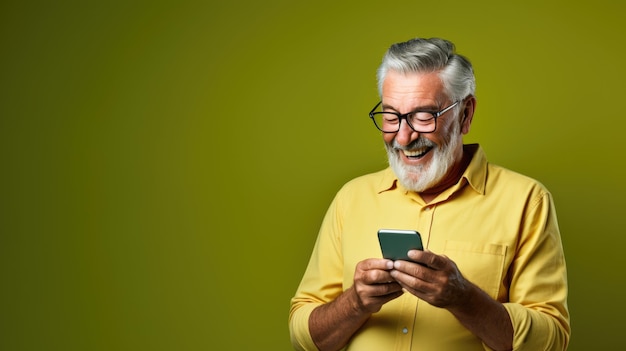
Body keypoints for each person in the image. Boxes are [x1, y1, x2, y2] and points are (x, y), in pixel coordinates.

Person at [289, 37, 570, 351]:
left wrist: (463, 298)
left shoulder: (527, 201)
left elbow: (552, 341)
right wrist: (355, 303)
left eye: (424, 116)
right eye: (392, 116)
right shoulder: (350, 198)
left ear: (465, 114)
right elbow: (305, 335)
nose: (404, 136)